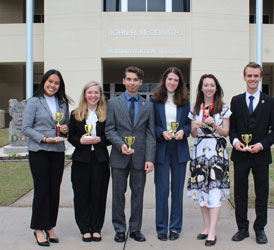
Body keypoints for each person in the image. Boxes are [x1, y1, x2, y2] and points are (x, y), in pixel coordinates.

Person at [229, 62, 274, 244]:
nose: (252, 79)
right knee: (240, 193)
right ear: (244, 77)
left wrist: (262, 145)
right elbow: (232, 129)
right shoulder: (235, 101)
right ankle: (242, 228)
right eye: (249, 75)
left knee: (262, 193)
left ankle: (260, 229)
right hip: (241, 155)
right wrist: (235, 142)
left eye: (255, 76)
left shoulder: (271, 102)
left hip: (261, 156)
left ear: (260, 78)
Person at [105, 66, 156, 243]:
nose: (132, 82)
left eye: (135, 79)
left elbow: (150, 134)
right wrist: (120, 145)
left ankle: (135, 229)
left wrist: (150, 158)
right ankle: (119, 229)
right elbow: (109, 129)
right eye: (129, 79)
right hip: (119, 157)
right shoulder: (113, 103)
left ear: (140, 82)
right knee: (118, 195)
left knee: (138, 195)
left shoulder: (148, 105)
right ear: (124, 81)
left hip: (140, 158)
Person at [22, 69, 72, 246]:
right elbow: (26, 128)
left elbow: (64, 125)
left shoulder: (62, 103)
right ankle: (38, 228)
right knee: (42, 190)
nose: (52, 85)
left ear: (60, 86)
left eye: (56, 83)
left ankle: (50, 226)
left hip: (57, 151)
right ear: (44, 82)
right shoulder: (34, 102)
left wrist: (66, 129)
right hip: (39, 151)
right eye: (50, 81)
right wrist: (43, 138)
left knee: (54, 190)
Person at [187, 74, 231, 247]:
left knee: (214, 191)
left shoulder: (223, 108)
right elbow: (192, 133)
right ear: (201, 88)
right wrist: (195, 127)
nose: (209, 88)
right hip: (199, 154)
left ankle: (212, 232)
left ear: (216, 87)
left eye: (212, 85)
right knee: (202, 192)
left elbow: (226, 132)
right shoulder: (195, 108)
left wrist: (215, 126)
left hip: (217, 155)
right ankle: (206, 227)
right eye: (206, 85)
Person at [151, 67, 190, 241]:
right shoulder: (155, 101)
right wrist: (161, 132)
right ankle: (161, 227)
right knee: (162, 190)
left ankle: (175, 227)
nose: (172, 82)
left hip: (179, 148)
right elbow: (151, 124)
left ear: (179, 82)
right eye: (170, 79)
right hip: (161, 148)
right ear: (164, 80)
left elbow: (190, 124)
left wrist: (184, 131)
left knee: (177, 190)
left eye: (176, 80)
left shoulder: (185, 101)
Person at [68, 81, 110, 242]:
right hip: (81, 161)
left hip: (100, 161)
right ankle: (85, 229)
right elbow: (70, 136)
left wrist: (100, 139)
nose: (93, 95)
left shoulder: (105, 114)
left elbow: (111, 136)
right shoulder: (75, 114)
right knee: (81, 196)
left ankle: (96, 228)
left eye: (96, 93)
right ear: (85, 94)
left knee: (98, 195)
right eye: (90, 92)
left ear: (100, 95)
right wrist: (80, 140)